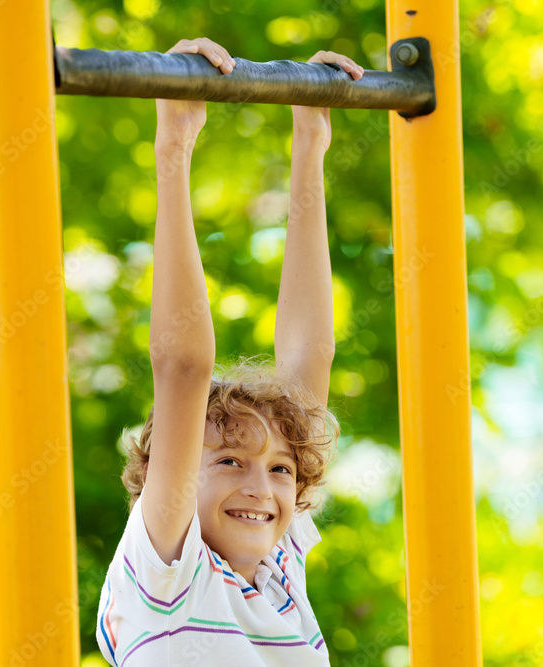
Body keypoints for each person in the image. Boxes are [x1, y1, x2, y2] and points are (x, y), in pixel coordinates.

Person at [96, 37, 364, 666]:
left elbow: (309, 356)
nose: (262, 488)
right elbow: (184, 365)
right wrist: (174, 148)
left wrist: (309, 146)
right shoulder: (168, 566)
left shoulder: (277, 565)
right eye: (228, 461)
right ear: (173, 473)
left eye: (280, 470)